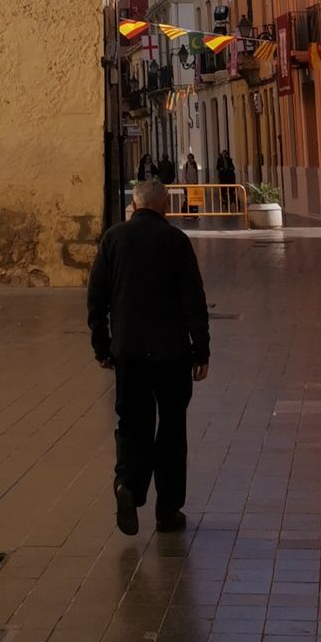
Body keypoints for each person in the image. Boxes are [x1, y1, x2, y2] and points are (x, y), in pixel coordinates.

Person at [87, 176, 210, 536]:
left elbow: (97, 298)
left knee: (132, 424)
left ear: (135, 204)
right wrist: (201, 349)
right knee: (171, 429)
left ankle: (128, 485)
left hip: (129, 352)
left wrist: (102, 345)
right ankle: (167, 512)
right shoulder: (176, 241)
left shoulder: (113, 239)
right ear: (165, 206)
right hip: (173, 354)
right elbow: (194, 300)